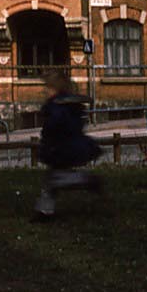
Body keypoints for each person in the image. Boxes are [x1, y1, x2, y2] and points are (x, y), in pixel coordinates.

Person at [33, 72, 102, 219]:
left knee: (54, 179)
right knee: (51, 179)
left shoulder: (56, 107)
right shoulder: (71, 105)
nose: (44, 91)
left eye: (48, 87)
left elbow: (54, 126)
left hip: (60, 147)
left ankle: (85, 180)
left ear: (55, 89)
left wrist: (48, 139)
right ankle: (45, 210)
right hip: (71, 145)